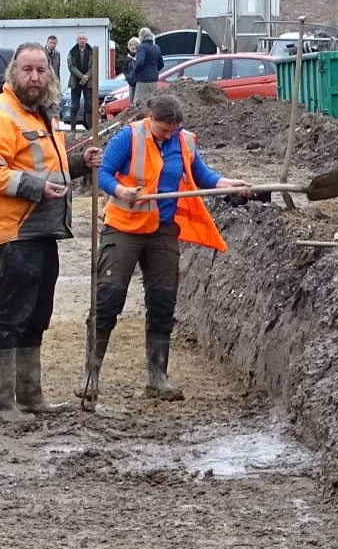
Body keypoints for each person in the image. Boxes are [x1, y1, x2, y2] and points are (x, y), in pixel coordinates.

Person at [0, 43, 101, 424]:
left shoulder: (43, 116)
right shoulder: (0, 116)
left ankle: (30, 395)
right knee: (12, 315)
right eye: (27, 70)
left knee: (37, 314)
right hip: (15, 231)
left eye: (41, 70)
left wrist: (79, 163)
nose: (34, 77)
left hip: (45, 229)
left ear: (50, 73)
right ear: (14, 72)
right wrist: (34, 188)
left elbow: (52, 170)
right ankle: (2, 402)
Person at [90, 93, 248, 400]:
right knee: (109, 298)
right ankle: (91, 374)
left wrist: (226, 184)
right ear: (151, 118)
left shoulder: (184, 141)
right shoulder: (129, 136)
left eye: (173, 130)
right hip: (123, 227)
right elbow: (103, 174)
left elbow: (201, 176)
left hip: (162, 229)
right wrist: (121, 190)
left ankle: (158, 377)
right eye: (164, 130)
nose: (169, 135)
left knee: (163, 301)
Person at [67, 32, 96, 130]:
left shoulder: (92, 51)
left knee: (89, 105)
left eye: (84, 38)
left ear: (86, 40)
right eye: (80, 38)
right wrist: (81, 76)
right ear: (77, 40)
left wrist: (86, 77)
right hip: (75, 82)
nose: (82, 40)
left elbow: (94, 65)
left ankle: (91, 129)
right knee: (74, 106)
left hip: (89, 82)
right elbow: (71, 66)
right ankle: (72, 130)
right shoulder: (72, 52)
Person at [128, 27, 164, 105]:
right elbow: (161, 64)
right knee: (152, 103)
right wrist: (154, 71)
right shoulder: (157, 47)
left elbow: (140, 62)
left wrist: (135, 72)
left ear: (141, 36)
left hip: (142, 81)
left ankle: (141, 117)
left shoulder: (142, 47)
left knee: (138, 104)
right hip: (154, 81)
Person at [43, 34, 63, 121]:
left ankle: (55, 122)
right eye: (51, 42)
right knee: (45, 103)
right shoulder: (42, 53)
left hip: (54, 82)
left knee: (55, 103)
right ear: (47, 42)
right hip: (45, 81)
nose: (52, 45)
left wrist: (58, 83)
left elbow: (58, 69)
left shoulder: (57, 54)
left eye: (54, 43)